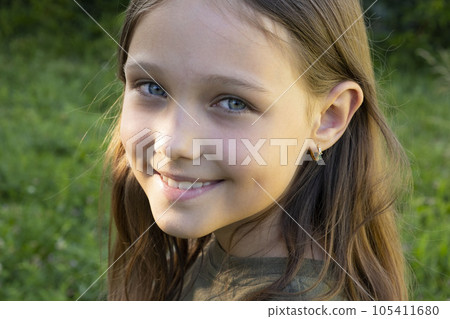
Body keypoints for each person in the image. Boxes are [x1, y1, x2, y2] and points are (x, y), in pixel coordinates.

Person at [105, 0, 410, 300]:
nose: (173, 144)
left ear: (328, 117)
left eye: (232, 103)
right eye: (152, 87)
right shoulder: (230, 241)